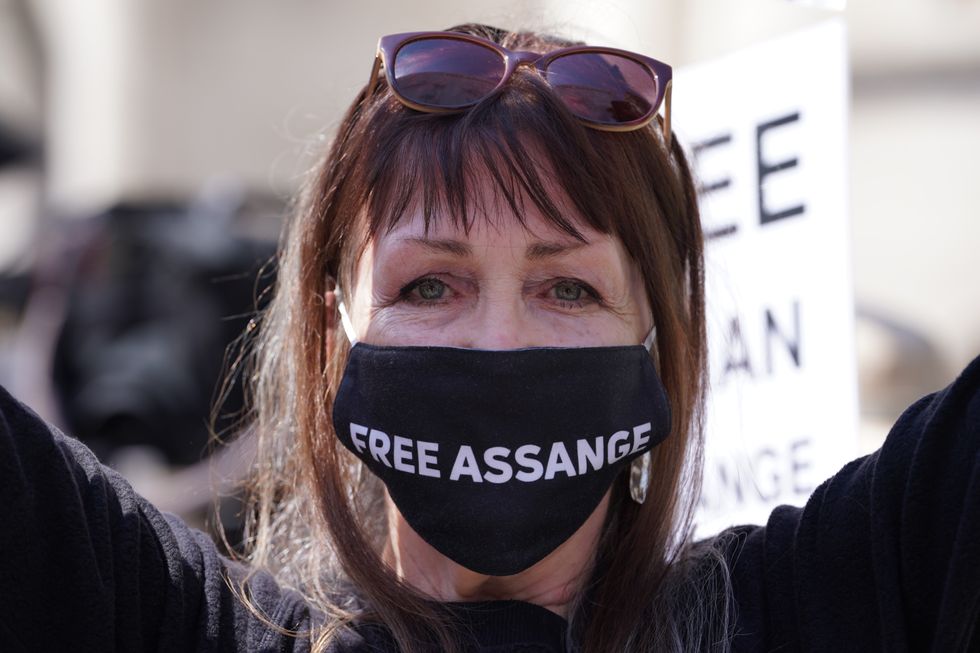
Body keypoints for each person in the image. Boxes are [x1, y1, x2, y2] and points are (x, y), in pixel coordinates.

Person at [1, 23, 978, 653]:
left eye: (565, 285)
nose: (498, 340)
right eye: (430, 283)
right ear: (332, 327)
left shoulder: (825, 602)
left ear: (656, 333)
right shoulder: (172, 624)